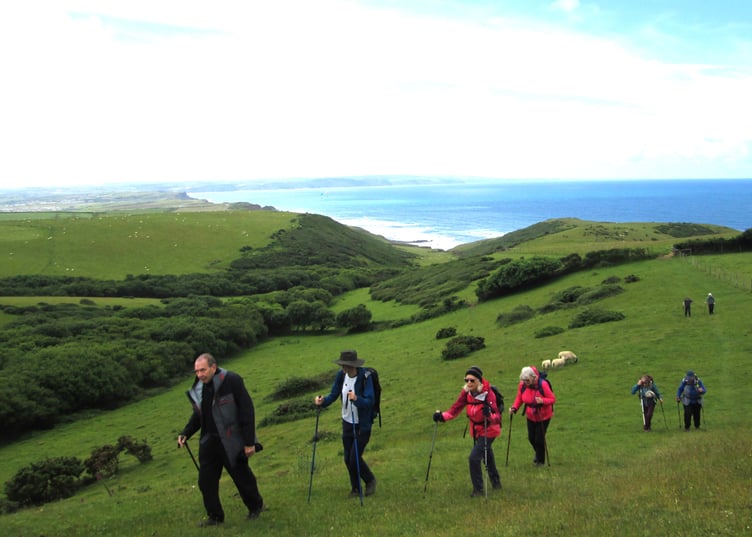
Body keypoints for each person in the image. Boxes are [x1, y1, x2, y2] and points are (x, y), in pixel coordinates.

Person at [177, 353, 264, 527]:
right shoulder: (199, 387)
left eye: (203, 370)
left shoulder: (232, 380)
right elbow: (199, 414)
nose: (200, 375)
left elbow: (246, 410)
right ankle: (215, 517)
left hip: (231, 440)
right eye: (197, 371)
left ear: (213, 367)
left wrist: (249, 442)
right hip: (209, 441)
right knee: (205, 481)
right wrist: (186, 432)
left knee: (242, 476)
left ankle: (256, 507)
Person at [314, 350, 377, 498]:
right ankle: (355, 489)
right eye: (342, 365)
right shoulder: (341, 375)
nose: (344, 368)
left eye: (346, 365)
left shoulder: (365, 378)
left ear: (353, 365)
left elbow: (370, 401)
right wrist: (323, 402)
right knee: (347, 458)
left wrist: (357, 399)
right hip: (347, 423)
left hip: (362, 425)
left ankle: (370, 481)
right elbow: (333, 394)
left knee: (354, 458)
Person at [432, 366, 502, 496]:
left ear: (479, 382)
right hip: (476, 430)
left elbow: (497, 418)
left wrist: (488, 415)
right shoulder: (466, 393)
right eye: (467, 380)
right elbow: (455, 410)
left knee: (474, 458)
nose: (469, 383)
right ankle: (496, 483)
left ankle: (478, 490)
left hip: (489, 430)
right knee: (487, 456)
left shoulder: (488, 395)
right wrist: (442, 417)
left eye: (472, 380)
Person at [509, 366, 555, 466]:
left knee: (539, 439)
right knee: (531, 438)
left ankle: (540, 461)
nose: (525, 382)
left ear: (533, 377)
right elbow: (519, 398)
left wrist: (543, 401)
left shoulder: (543, 384)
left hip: (544, 415)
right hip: (530, 415)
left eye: (527, 380)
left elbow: (552, 399)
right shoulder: (522, 385)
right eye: (524, 380)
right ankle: (538, 454)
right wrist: (514, 408)